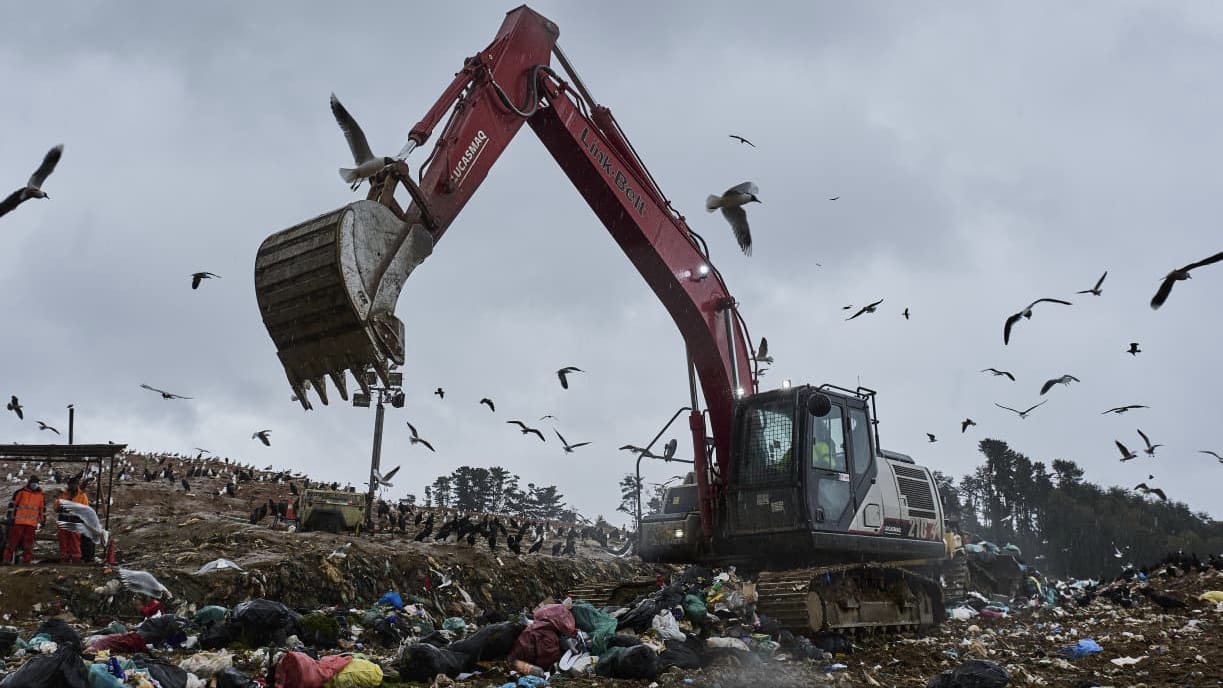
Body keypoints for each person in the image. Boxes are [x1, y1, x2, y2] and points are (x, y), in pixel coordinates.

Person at [3, 476, 47, 565]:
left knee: (28, 544)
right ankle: (6, 559)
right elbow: (12, 506)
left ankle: (26, 561)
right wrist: (10, 518)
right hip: (18, 522)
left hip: (31, 524)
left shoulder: (41, 495)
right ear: (29, 483)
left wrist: (43, 521)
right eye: (33, 482)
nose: (35, 484)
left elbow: (42, 510)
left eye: (36, 482)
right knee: (12, 541)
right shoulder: (20, 492)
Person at [54, 476, 90, 564]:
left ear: (77, 485)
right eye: (71, 484)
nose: (73, 486)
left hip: (76, 522)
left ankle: (76, 559)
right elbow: (55, 507)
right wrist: (59, 507)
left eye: (75, 484)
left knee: (75, 541)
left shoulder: (82, 495)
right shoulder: (63, 495)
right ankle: (64, 558)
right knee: (63, 541)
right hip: (64, 521)